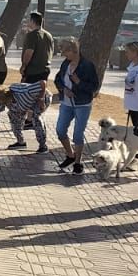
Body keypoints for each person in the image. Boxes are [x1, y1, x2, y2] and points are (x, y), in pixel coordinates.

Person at [53, 38, 100, 173]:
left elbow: (94, 87)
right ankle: (70, 155)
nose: (63, 54)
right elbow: (58, 79)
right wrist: (63, 89)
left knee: (78, 134)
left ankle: (78, 163)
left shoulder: (87, 65)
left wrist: (78, 82)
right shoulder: (65, 64)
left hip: (82, 104)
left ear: (73, 50)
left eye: (65, 51)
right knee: (60, 130)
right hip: (66, 103)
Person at [21, 11, 54, 85]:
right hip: (45, 70)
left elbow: (29, 52)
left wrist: (24, 66)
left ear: (32, 21)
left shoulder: (32, 35)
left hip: (33, 71)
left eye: (28, 20)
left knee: (29, 92)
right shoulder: (49, 35)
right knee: (40, 92)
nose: (26, 22)